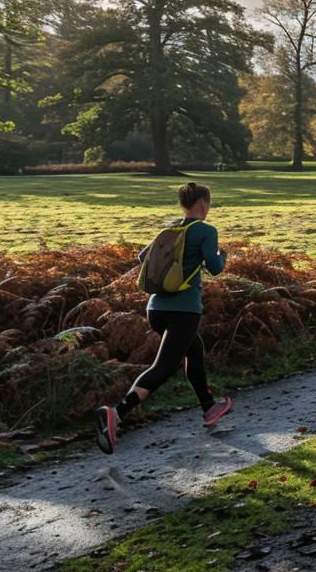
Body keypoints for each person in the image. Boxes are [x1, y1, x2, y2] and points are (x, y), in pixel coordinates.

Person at [94, 182, 233, 454]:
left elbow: (142, 256)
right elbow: (215, 268)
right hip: (184, 310)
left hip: (155, 308)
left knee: (194, 349)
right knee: (164, 367)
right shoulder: (205, 230)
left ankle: (209, 407)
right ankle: (116, 413)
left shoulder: (170, 228)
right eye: (209, 204)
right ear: (203, 204)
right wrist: (221, 256)